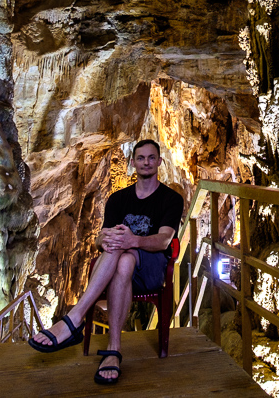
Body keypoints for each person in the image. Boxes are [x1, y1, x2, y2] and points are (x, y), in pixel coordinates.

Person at [29, 139, 184, 386]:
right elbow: (102, 239)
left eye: (151, 157)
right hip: (120, 265)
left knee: (123, 250)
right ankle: (113, 351)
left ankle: (73, 320)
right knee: (120, 256)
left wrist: (133, 240)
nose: (146, 162)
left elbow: (165, 240)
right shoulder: (118, 199)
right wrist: (104, 238)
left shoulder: (171, 199)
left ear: (159, 162)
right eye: (141, 158)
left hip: (152, 268)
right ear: (133, 162)